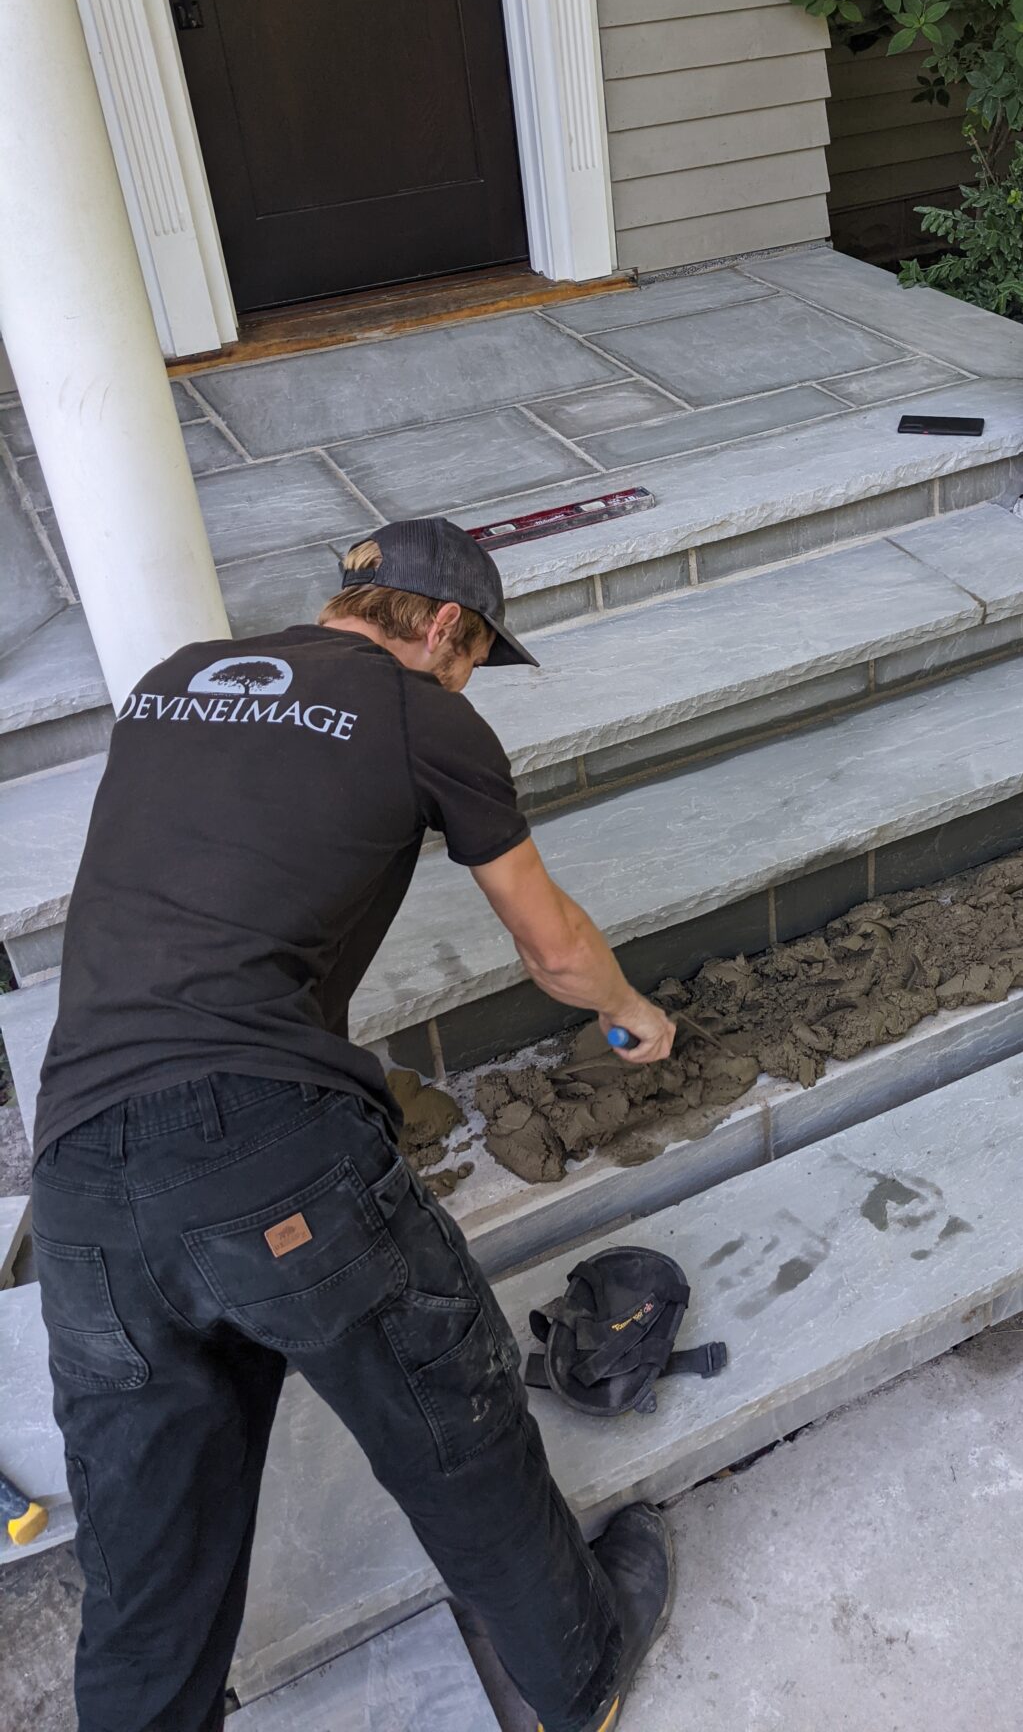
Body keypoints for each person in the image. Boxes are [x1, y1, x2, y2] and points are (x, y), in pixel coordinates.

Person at [30, 517, 677, 1732]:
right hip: (265, 1149)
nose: (471, 678)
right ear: (444, 628)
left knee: (144, 1538)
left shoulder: (177, 682)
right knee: (455, 1417)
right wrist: (637, 1013)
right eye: (475, 653)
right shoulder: (426, 715)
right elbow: (551, 949)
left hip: (80, 1179)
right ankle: (580, 1671)